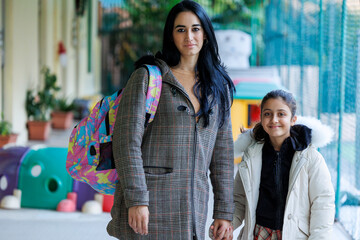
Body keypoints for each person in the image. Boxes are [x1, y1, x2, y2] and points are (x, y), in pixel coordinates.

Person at [106, 1, 235, 239]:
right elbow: (126, 143)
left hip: (194, 208)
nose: (189, 36)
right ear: (171, 34)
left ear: (205, 34)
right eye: (181, 29)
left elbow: (223, 156)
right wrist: (136, 199)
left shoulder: (218, 87)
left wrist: (224, 212)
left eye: (195, 29)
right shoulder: (148, 78)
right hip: (149, 205)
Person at [230, 89, 335, 239]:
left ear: (293, 119)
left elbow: (323, 203)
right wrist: (228, 224)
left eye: (281, 114)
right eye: (267, 114)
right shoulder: (251, 155)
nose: (274, 120)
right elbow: (239, 198)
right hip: (258, 233)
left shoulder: (311, 158)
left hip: (293, 235)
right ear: (260, 118)